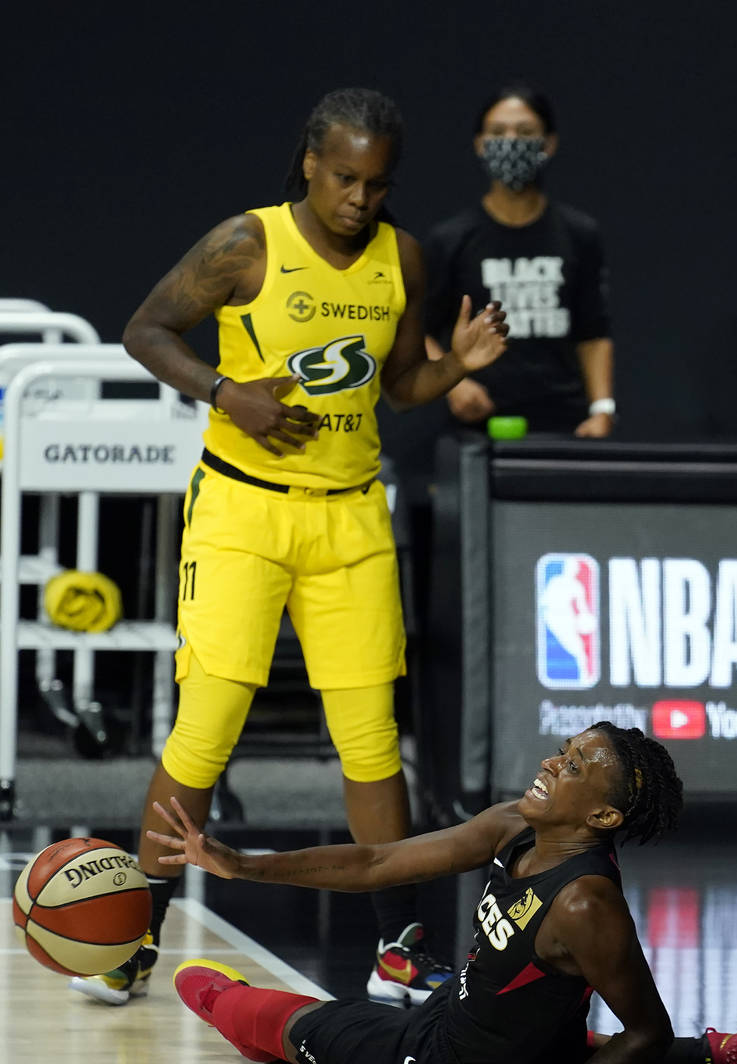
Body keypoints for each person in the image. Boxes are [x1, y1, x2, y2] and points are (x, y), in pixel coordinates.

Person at [70, 87, 508, 1009]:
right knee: (206, 726)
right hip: (243, 512)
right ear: (311, 162)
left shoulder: (403, 257)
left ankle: (397, 951)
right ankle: (134, 937)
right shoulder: (247, 243)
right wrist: (226, 393)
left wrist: (456, 366)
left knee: (371, 741)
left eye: (377, 184)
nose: (359, 198)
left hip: (350, 518)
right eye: (344, 177)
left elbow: (399, 383)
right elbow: (145, 330)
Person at [146, 722, 737, 1064]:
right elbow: (376, 862)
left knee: (231, 1001)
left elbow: (646, 1032)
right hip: (497, 1029)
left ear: (603, 815)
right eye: (564, 750)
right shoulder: (516, 824)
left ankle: (251, 1024)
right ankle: (714, 1057)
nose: (552, 762)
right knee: (531, 1025)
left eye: (575, 766)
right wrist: (243, 866)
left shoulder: (584, 903)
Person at [425, 82, 615, 437]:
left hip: (564, 424)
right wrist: (453, 383)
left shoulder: (579, 234)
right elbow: (418, 331)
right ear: (480, 144)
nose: (511, 141)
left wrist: (602, 409)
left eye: (525, 132)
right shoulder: (451, 239)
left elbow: (593, 331)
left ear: (549, 143)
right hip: (480, 426)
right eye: (498, 132)